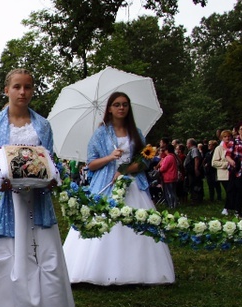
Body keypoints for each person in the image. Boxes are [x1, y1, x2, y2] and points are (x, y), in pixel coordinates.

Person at [0, 68, 75, 307]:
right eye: (17, 87)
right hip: (3, 199)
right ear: (7, 90)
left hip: (36, 199)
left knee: (41, 254)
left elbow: (49, 159)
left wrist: (49, 176)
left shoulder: (43, 125)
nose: (22, 92)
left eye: (27, 87)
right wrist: (1, 177)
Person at [63, 91, 175, 285]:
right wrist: (110, 157)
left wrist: (126, 169)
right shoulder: (101, 133)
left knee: (136, 223)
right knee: (104, 222)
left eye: (124, 104)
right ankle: (96, 270)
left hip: (133, 184)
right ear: (110, 109)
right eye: (117, 104)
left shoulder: (136, 132)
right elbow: (91, 164)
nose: (121, 108)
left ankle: (139, 270)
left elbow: (145, 160)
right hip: (106, 184)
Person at [212, 129, 235, 215]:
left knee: (233, 191)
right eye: (225, 137)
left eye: (229, 136)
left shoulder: (233, 147)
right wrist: (227, 164)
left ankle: (232, 208)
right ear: (222, 138)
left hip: (233, 173)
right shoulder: (219, 148)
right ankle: (226, 208)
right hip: (224, 174)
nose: (227, 138)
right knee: (229, 191)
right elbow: (214, 162)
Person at [157, 144, 178, 208]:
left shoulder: (168, 157)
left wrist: (159, 169)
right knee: (173, 192)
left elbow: (164, 168)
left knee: (169, 192)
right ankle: (175, 204)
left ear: (167, 150)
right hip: (173, 176)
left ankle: (172, 205)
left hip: (168, 177)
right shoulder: (173, 157)